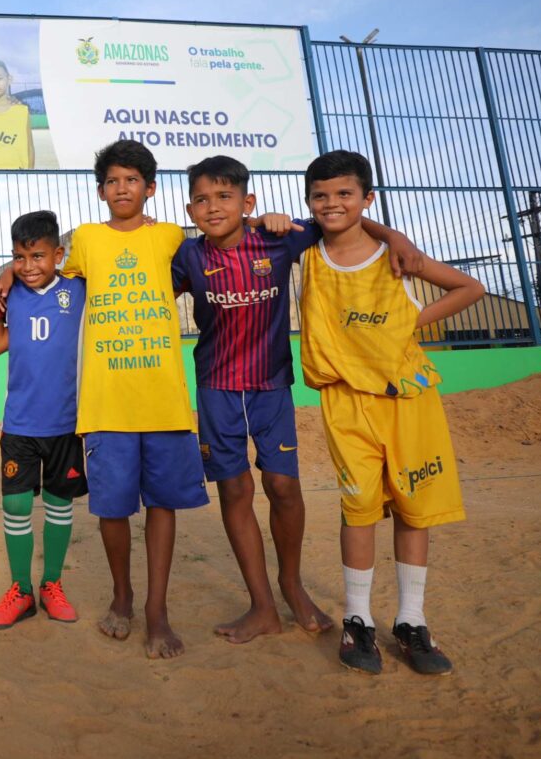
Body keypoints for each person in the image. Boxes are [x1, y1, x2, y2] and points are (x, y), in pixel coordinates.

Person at [172, 155, 422, 645]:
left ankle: (292, 585)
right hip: (216, 389)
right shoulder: (187, 256)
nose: (212, 206)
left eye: (224, 197)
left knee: (284, 487)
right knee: (235, 491)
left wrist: (396, 237)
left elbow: (340, 217)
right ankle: (261, 605)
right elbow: (136, 286)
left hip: (271, 388)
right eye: (202, 199)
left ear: (248, 203)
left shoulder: (278, 236)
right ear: (190, 208)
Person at [299, 150, 483, 676]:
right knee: (357, 510)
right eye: (321, 195)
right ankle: (358, 619)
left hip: (407, 399)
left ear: (366, 198)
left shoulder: (396, 257)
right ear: (309, 201)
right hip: (345, 402)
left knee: (412, 508)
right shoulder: (308, 250)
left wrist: (409, 322)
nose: (332, 203)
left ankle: (410, 620)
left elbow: (470, 288)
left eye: (345, 194)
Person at [62, 140, 204, 659]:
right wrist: (10, 270)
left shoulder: (170, 237)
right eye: (112, 181)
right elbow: (49, 271)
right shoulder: (85, 240)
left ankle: (156, 610)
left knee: (163, 505)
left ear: (150, 186)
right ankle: (122, 596)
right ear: (100, 190)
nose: (122, 188)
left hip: (163, 401)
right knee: (114, 508)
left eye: (132, 179)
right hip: (106, 403)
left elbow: (222, 244)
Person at [0, 210, 85, 628]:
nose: (28, 266)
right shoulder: (9, 295)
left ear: (57, 254)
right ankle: (21, 589)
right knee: (16, 503)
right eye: (19, 258)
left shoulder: (77, 289)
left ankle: (52, 584)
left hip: (66, 423)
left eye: (38, 256)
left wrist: (5, 275)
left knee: (59, 504)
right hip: (20, 423)